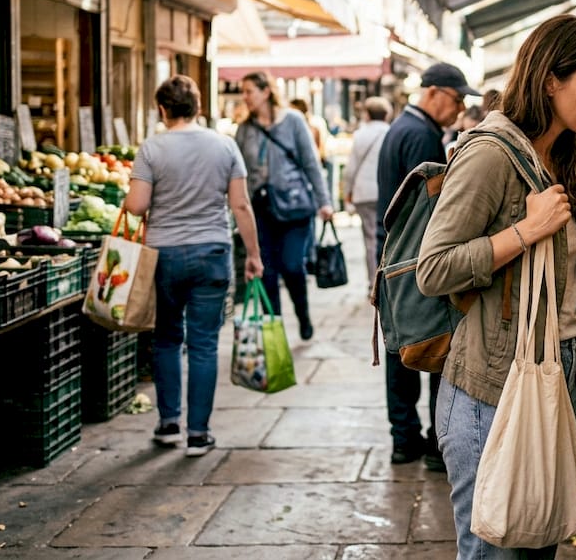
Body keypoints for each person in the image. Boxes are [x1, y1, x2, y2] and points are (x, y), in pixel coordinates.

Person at [416, 14, 576, 559]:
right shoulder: (490, 153)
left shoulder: (553, 152)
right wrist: (525, 230)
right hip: (491, 392)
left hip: (550, 375)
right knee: (496, 551)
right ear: (551, 80)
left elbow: (539, 268)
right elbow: (433, 269)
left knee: (534, 546)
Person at [123, 75, 264, 457]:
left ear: (162, 109)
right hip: (213, 253)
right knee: (203, 344)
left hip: (164, 255)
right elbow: (240, 206)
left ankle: (169, 423)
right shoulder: (225, 145)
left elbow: (136, 206)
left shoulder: (151, 149)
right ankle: (198, 434)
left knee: (167, 338)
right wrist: (253, 254)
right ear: (198, 107)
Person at [375, 62, 480, 470]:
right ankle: (437, 448)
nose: (458, 111)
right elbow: (435, 209)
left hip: (395, 260)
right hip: (416, 262)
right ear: (434, 92)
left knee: (401, 348)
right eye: (456, 100)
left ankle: (404, 440)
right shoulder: (421, 136)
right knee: (435, 348)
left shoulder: (402, 126)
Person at [235, 72, 334, 342]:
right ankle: (273, 332)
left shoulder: (292, 121)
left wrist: (324, 201)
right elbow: (237, 173)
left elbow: (311, 162)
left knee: (292, 266)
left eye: (249, 91)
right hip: (261, 211)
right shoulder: (244, 130)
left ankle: (303, 315)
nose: (245, 97)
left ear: (266, 91)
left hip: (295, 207)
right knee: (266, 271)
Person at [344, 96, 391, 291]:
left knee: (370, 238)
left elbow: (351, 167)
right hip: (386, 191)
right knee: (387, 236)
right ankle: (387, 277)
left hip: (364, 192)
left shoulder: (360, 135)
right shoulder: (391, 132)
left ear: (367, 114)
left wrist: (347, 192)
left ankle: (373, 281)